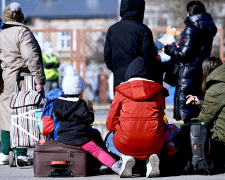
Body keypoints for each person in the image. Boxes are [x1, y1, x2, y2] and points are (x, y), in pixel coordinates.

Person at [53, 66, 121, 175]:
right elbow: (88, 119)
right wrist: (91, 111)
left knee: (94, 135)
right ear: (80, 90)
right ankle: (116, 167)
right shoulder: (80, 103)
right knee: (97, 150)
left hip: (63, 137)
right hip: (80, 138)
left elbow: (57, 115)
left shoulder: (57, 102)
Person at [105, 57, 167, 178]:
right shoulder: (157, 91)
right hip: (152, 142)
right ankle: (150, 160)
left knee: (109, 139)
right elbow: (160, 119)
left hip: (126, 142)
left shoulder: (121, 91)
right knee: (154, 138)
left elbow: (110, 124)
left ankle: (126, 157)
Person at [0, 2, 45, 164]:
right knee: (24, 113)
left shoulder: (1, 33)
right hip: (23, 79)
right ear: (21, 17)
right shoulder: (22, 32)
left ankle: (3, 153)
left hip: (6, 78)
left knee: (6, 114)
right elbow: (31, 57)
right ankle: (20, 153)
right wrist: (39, 79)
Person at [164, 1, 217, 123]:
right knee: (196, 110)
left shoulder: (191, 29)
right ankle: (197, 138)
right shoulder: (208, 28)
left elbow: (183, 54)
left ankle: (189, 140)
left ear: (189, 13)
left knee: (186, 113)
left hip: (187, 75)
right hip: (200, 72)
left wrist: (169, 47)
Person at [104, 0, 158, 90]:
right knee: (136, 104)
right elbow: (147, 56)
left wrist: (117, 70)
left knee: (120, 102)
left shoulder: (112, 29)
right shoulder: (143, 30)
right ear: (140, 9)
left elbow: (107, 56)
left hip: (119, 78)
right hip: (139, 79)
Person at [186, 57, 225, 175]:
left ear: (207, 71)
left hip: (221, 139)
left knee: (195, 126)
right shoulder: (222, 85)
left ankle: (197, 162)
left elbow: (203, 119)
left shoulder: (215, 89)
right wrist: (201, 103)